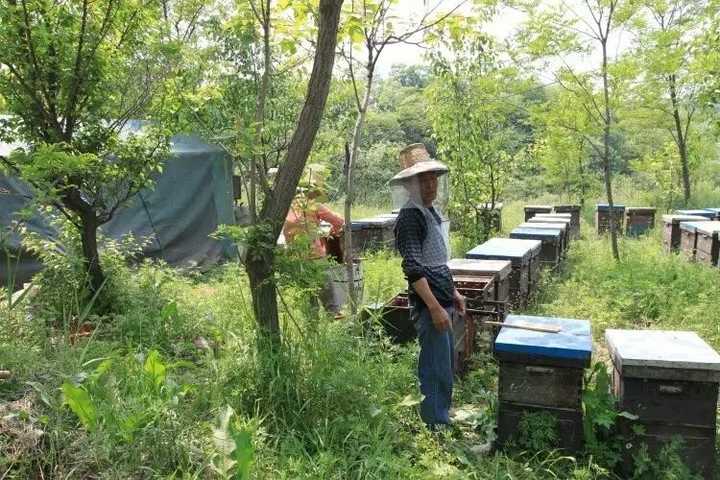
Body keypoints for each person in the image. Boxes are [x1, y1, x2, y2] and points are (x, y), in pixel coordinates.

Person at [391, 143, 465, 429]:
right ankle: (435, 426)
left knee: (445, 366)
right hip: (430, 307)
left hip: (443, 301)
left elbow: (437, 262)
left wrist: (454, 293)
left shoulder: (429, 211)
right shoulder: (410, 217)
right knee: (435, 368)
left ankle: (441, 415)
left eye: (433, 177)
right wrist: (434, 307)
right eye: (423, 179)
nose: (431, 184)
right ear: (410, 185)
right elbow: (413, 267)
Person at [282, 163, 345, 313]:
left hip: (295, 260)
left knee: (309, 302)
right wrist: (331, 235)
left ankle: (313, 332)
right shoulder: (314, 206)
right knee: (329, 300)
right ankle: (336, 327)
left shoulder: (287, 206)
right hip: (315, 258)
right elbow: (339, 222)